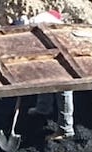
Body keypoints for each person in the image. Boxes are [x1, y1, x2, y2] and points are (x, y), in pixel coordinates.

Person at [25, 9, 74, 140]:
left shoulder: (41, 24)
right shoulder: (38, 22)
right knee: (45, 78)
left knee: (63, 88)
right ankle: (43, 108)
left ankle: (65, 130)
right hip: (46, 51)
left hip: (61, 53)